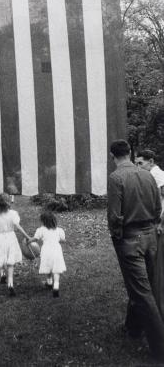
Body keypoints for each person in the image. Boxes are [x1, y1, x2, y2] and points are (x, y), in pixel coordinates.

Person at [107, 139, 164, 360]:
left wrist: (117, 237)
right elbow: (159, 207)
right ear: (130, 153)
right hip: (151, 237)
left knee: (142, 292)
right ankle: (133, 327)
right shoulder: (148, 174)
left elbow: (114, 216)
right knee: (143, 285)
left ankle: (160, 350)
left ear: (113, 157)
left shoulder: (116, 177)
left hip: (130, 239)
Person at [136, 150, 164, 321]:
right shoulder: (150, 175)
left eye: (141, 163)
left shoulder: (157, 175)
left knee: (158, 267)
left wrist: (160, 223)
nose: (138, 167)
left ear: (151, 161)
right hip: (154, 222)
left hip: (160, 224)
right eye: (136, 163)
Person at [28, 206, 66, 298]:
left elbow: (35, 239)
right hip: (56, 250)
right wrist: (59, 240)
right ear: (54, 220)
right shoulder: (59, 230)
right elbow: (63, 240)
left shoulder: (41, 230)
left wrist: (28, 241)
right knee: (56, 269)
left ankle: (49, 283)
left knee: (48, 266)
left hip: (46, 250)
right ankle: (56, 287)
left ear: (43, 221)